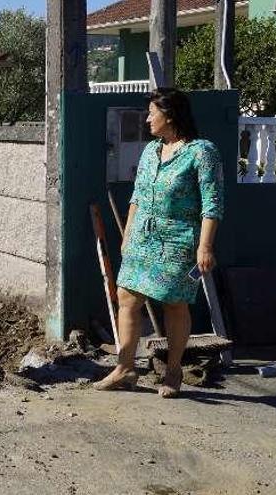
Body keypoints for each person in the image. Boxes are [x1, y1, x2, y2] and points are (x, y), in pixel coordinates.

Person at [94, 88, 224, 398]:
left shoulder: (201, 152)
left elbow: (212, 203)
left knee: (174, 304)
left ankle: (174, 370)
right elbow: (137, 195)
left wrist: (205, 247)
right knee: (126, 296)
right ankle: (125, 368)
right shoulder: (151, 150)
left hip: (178, 239)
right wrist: (127, 235)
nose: (148, 118)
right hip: (142, 237)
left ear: (170, 115)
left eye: (153, 112)